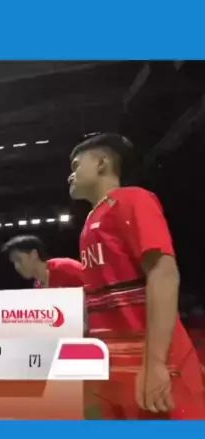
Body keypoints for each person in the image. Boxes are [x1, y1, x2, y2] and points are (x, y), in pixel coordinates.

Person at [68, 132, 205, 419]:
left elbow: (163, 273)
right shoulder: (90, 222)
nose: (71, 175)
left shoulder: (132, 199)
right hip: (114, 369)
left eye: (76, 165)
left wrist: (156, 364)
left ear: (102, 163)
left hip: (156, 364)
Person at [2, 235, 84, 288]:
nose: (17, 267)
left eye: (19, 259)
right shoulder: (38, 286)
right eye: (14, 262)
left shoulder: (65, 269)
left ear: (33, 254)